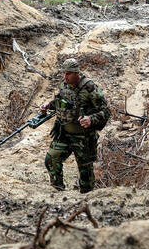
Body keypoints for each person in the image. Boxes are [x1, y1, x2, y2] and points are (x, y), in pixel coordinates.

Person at [39, 58, 110, 193]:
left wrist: (91, 119)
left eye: (68, 74)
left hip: (83, 137)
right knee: (51, 159)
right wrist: (49, 105)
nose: (65, 76)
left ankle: (86, 197)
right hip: (64, 133)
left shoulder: (89, 88)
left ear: (76, 73)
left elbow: (106, 112)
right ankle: (58, 191)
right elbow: (61, 102)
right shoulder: (64, 85)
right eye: (64, 73)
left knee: (85, 171)